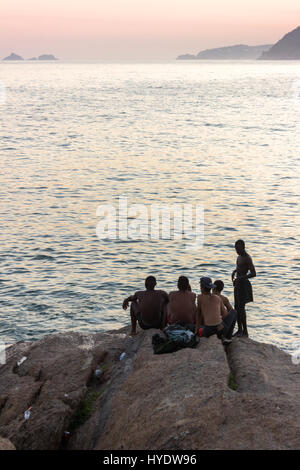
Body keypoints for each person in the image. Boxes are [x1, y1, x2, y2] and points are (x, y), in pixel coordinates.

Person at [195, 277, 236, 344]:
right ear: (211, 287)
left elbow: (198, 315)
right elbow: (225, 315)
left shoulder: (199, 298)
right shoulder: (218, 298)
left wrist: (196, 331)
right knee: (234, 312)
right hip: (220, 330)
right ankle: (228, 337)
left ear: (201, 287)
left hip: (207, 331)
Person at [232, 239, 256, 337]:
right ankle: (239, 329)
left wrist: (241, 278)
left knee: (241, 308)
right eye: (235, 249)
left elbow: (253, 273)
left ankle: (245, 331)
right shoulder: (239, 257)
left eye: (238, 249)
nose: (237, 251)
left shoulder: (247, 258)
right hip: (238, 284)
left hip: (243, 285)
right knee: (236, 307)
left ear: (243, 247)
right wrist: (234, 272)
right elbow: (240, 268)